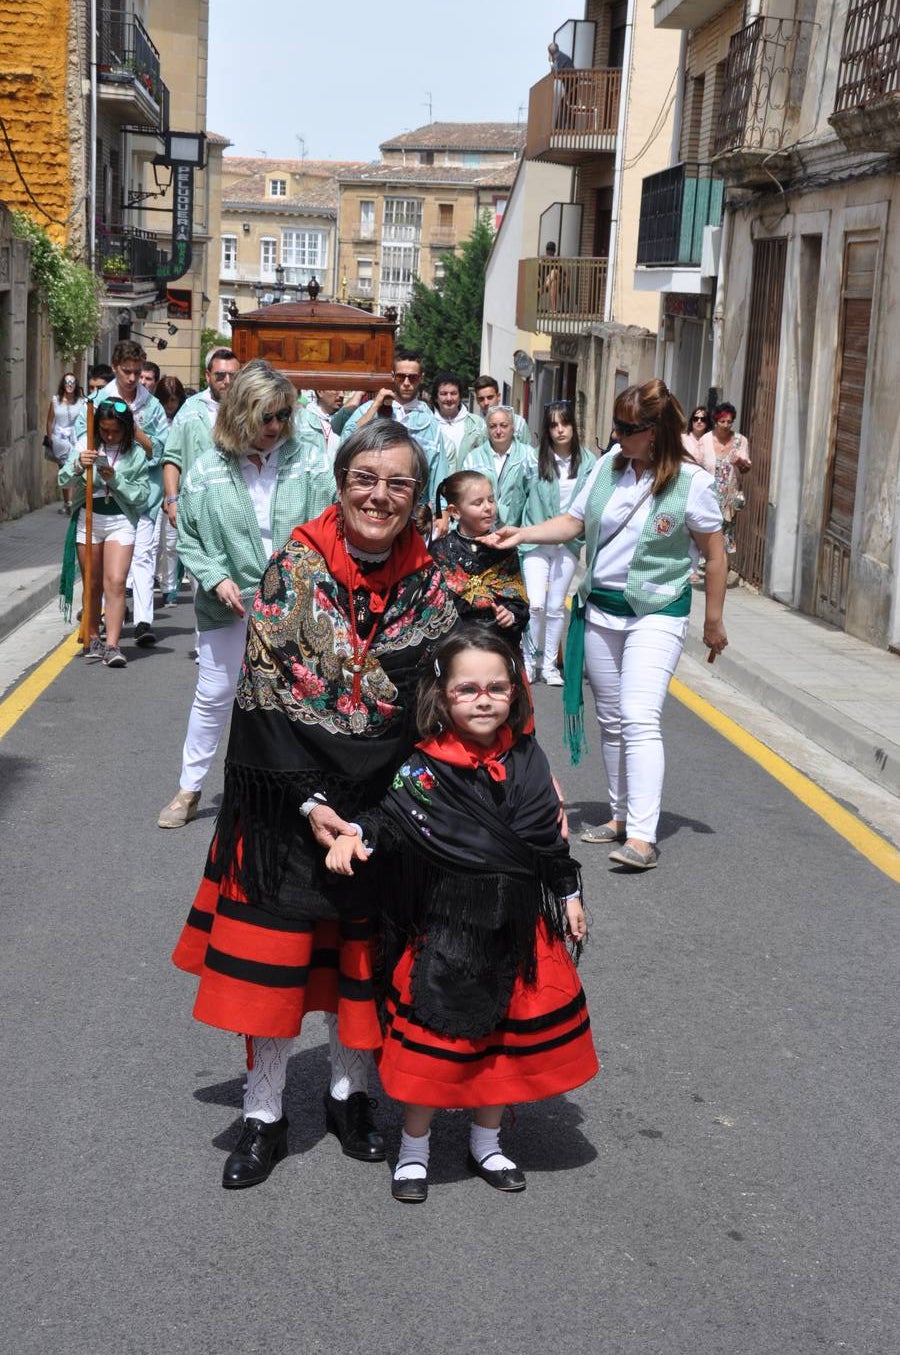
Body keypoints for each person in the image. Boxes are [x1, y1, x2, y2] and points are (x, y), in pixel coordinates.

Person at [171, 420, 459, 1190]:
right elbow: (263, 699)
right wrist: (309, 806)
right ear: (340, 482)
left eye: (399, 483)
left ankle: (348, 1095)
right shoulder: (292, 568)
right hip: (290, 801)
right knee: (276, 968)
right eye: (367, 477)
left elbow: (454, 695)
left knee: (362, 959)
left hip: (384, 806)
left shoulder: (434, 584)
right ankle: (263, 1112)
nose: (380, 495)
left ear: (417, 498)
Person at [325, 627, 598, 1203]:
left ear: (515, 693)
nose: (483, 699)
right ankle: (415, 1146)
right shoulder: (422, 770)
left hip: (521, 929)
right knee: (438, 1046)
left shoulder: (528, 759)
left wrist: (570, 896)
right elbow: (389, 822)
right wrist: (357, 837)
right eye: (467, 688)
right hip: (448, 932)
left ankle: (487, 1141)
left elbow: (549, 842)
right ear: (442, 697)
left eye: (497, 687)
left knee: (501, 1044)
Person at [492, 379, 727, 871]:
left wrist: (713, 620)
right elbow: (574, 524)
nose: (616, 435)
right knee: (612, 718)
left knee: (640, 717)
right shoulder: (606, 468)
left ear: (656, 432)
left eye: (626, 428)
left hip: (657, 611)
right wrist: (522, 535)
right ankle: (620, 816)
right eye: (616, 426)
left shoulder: (693, 483)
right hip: (600, 608)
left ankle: (643, 836)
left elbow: (714, 552)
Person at [157, 361, 337, 830]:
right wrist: (216, 578)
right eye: (265, 417)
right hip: (227, 600)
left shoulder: (310, 460)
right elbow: (190, 536)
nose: (275, 428)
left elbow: (329, 523)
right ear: (240, 414)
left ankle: (306, 795)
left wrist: (303, 578)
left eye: (282, 416)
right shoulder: (207, 469)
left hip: (295, 599)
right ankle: (189, 789)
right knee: (216, 693)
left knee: (300, 695)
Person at [75, 340, 170, 648]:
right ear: (115, 368)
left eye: (137, 372)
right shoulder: (97, 400)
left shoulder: (151, 406)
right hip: (102, 498)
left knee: (141, 558)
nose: (132, 378)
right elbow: (81, 439)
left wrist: (133, 430)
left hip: (141, 495)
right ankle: (95, 627)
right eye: (127, 372)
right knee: (98, 573)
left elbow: (161, 448)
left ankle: (143, 621)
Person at [58, 398, 150, 667]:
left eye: (115, 431)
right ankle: (94, 638)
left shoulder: (135, 453)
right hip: (89, 519)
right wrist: (78, 465)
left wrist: (115, 479)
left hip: (121, 521)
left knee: (116, 581)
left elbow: (142, 495)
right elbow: (62, 479)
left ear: (126, 429)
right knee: (93, 582)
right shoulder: (86, 444)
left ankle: (113, 644)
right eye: (105, 430)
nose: (109, 436)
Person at [521, 401, 596, 684]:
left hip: (569, 543)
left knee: (555, 607)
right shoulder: (533, 460)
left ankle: (550, 666)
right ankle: (529, 662)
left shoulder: (589, 462)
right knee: (536, 604)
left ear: (574, 427)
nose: (560, 430)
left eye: (565, 424)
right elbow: (519, 497)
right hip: (536, 540)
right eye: (553, 425)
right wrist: (515, 534)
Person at [339, 350, 448, 515]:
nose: (406, 383)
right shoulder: (370, 409)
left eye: (412, 377)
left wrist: (441, 511)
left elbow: (439, 470)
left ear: (421, 378)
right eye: (400, 377)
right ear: (392, 376)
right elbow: (347, 442)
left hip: (413, 512)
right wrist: (375, 406)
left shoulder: (431, 423)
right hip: (373, 503)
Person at [429, 471, 529, 645]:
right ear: (455, 511)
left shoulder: (504, 548)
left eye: (491, 500)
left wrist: (510, 615)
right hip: (454, 642)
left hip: (496, 641)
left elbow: (518, 600)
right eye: (478, 503)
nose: (488, 507)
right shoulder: (440, 550)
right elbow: (431, 603)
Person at [161, 347, 242, 531]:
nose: (227, 382)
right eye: (220, 375)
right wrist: (172, 499)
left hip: (237, 505)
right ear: (208, 376)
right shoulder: (190, 410)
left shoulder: (248, 409)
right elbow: (172, 458)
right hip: (197, 504)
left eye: (233, 375)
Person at [462, 405, 537, 528]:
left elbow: (534, 497)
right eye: (493, 426)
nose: (498, 431)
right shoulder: (473, 458)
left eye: (503, 425)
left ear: (513, 428)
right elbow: (465, 494)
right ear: (487, 429)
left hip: (517, 530)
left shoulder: (529, 456)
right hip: (481, 530)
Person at [697, 401, 751, 572]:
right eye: (722, 421)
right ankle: (709, 564)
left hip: (728, 498)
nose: (726, 425)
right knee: (707, 532)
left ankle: (720, 571)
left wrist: (740, 461)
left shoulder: (740, 441)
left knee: (725, 535)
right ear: (715, 421)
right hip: (708, 496)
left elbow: (747, 468)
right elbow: (697, 464)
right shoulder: (705, 440)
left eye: (729, 422)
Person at [154, 375, 187, 607]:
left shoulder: (185, 419)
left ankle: (170, 588)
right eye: (167, 400)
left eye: (174, 400)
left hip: (176, 488)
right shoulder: (156, 418)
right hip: (153, 486)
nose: (170, 405)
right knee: (154, 543)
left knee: (172, 543)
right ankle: (151, 582)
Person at [44, 373, 85, 514]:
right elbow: (50, 421)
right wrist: (50, 438)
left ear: (75, 385)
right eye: (67, 382)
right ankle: (66, 501)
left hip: (75, 439)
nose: (69, 385)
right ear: (63, 384)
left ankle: (72, 501)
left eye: (72, 382)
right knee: (63, 469)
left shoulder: (81, 402)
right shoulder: (55, 401)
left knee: (74, 467)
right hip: (59, 439)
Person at [431, 371, 485, 471]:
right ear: (435, 398)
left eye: (453, 393)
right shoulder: (428, 426)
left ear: (460, 397)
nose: (449, 398)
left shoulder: (478, 425)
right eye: (443, 394)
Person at [473, 376, 534, 445]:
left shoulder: (518, 423)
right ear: (477, 400)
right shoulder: (473, 425)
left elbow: (527, 452)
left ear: (498, 397)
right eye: (481, 399)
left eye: (490, 397)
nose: (486, 402)